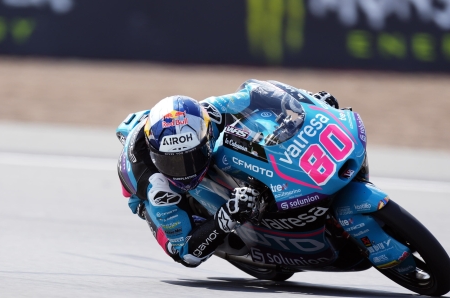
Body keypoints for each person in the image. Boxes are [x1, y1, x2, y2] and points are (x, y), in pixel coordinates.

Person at [115, 79, 339, 267]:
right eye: (173, 163)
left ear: (205, 133)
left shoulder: (209, 113)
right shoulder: (157, 188)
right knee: (176, 249)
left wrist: (309, 102)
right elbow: (187, 254)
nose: (185, 170)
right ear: (157, 156)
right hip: (146, 195)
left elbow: (257, 94)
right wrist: (227, 216)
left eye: (193, 156)